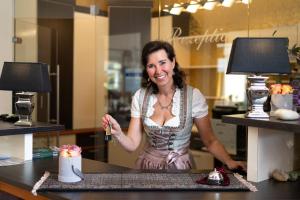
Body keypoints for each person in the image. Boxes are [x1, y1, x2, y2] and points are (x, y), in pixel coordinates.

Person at [102, 40, 246, 170]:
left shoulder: (193, 96)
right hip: (147, 167)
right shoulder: (140, 96)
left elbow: (210, 141)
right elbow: (132, 144)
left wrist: (229, 161)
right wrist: (119, 134)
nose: (158, 71)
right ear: (146, 70)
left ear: (173, 62)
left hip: (180, 168)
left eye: (162, 62)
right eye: (151, 65)